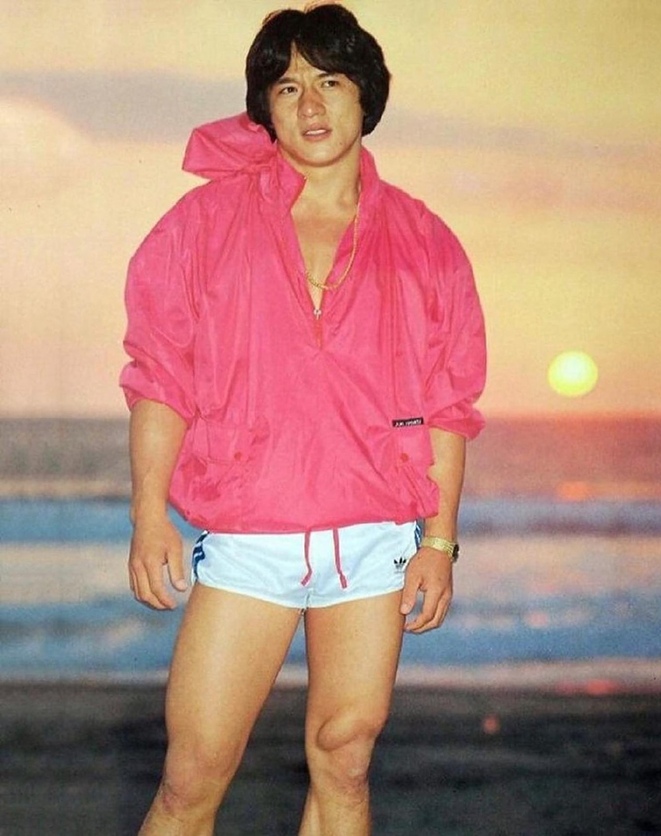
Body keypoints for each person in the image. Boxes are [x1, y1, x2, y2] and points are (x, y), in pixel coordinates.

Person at [120, 3, 486, 834]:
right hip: (250, 540)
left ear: (366, 96)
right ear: (265, 106)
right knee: (192, 777)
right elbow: (160, 381)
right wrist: (148, 515)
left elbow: (448, 407)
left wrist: (438, 545)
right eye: (288, 87)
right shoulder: (201, 226)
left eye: (330, 81)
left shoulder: (426, 240)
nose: (311, 105)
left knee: (345, 759)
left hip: (374, 541)